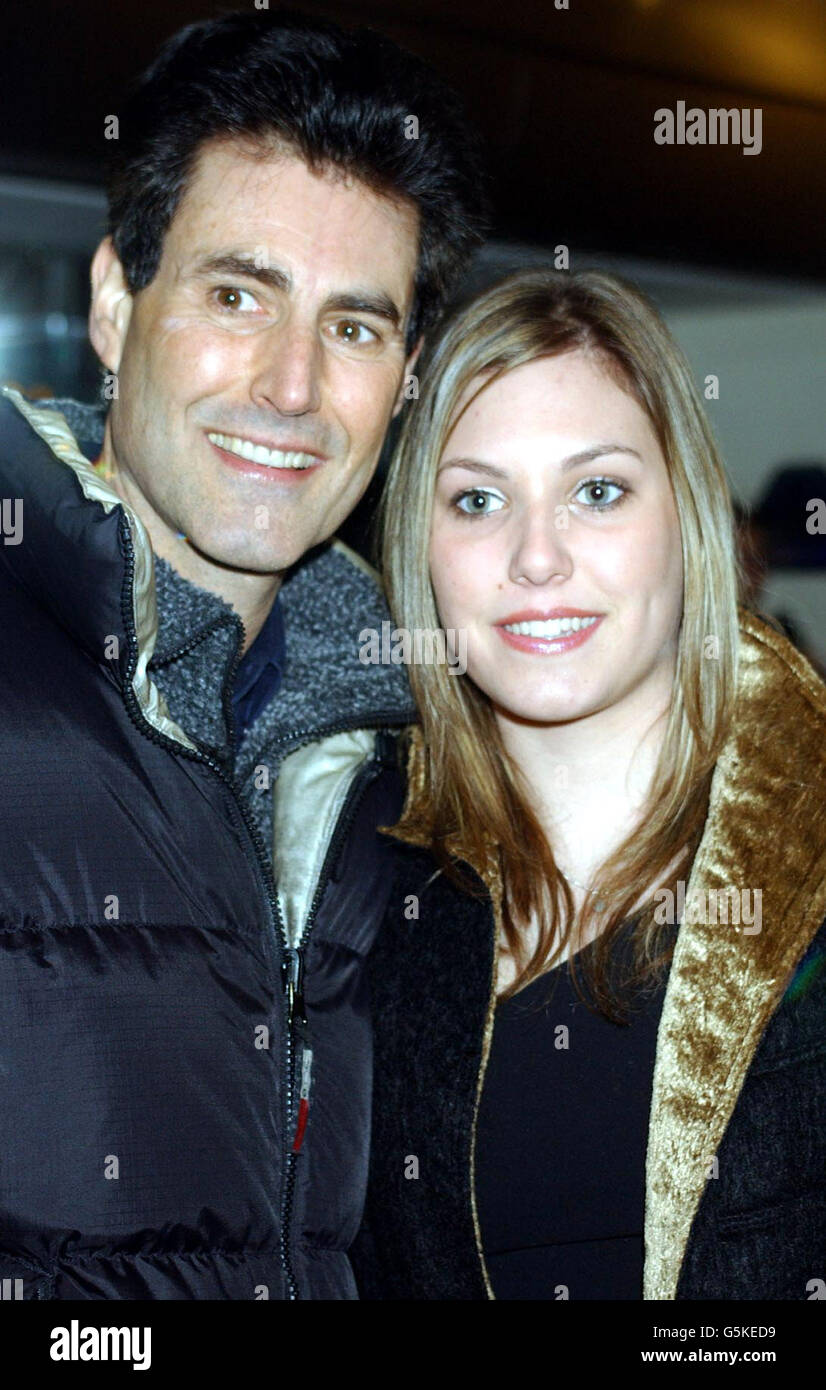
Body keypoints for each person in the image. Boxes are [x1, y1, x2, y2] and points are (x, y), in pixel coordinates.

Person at [0, 10, 486, 1300]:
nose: (288, 386)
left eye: (355, 327)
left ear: (408, 374)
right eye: (236, 296)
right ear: (114, 302)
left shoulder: (420, 761)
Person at [349, 268, 826, 1301]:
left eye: (596, 491)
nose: (535, 556)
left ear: (686, 516)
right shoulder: (354, 880)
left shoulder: (809, 860)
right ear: (419, 550)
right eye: (477, 499)